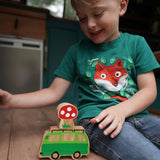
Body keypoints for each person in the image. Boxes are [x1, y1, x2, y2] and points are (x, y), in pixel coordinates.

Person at [0, 0, 160, 159]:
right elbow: (53, 92)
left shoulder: (137, 44)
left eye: (98, 14)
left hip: (139, 116)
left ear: (122, 6)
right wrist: (11, 100)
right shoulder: (76, 52)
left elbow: (149, 90)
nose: (90, 24)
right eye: (82, 18)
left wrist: (121, 110)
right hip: (97, 121)